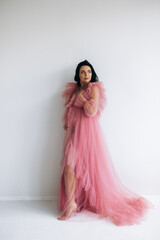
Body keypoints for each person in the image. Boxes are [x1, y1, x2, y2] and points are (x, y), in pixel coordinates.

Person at [57, 60, 153, 225]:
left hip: (87, 136)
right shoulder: (75, 90)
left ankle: (73, 203)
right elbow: (72, 110)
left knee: (78, 167)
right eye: (82, 72)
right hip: (74, 134)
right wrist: (69, 120)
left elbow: (91, 111)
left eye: (88, 72)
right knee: (68, 167)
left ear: (92, 73)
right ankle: (71, 203)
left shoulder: (93, 88)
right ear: (78, 74)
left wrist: (82, 98)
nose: (86, 75)